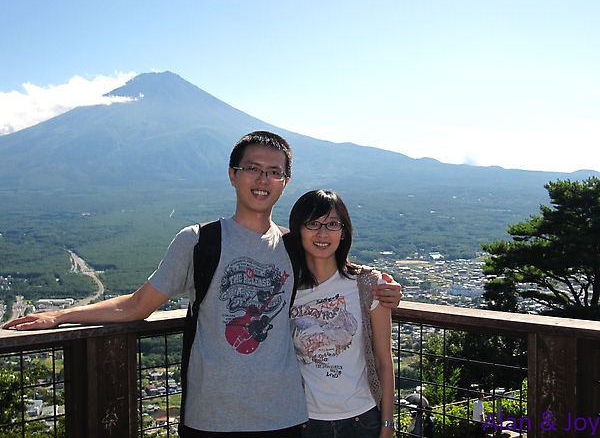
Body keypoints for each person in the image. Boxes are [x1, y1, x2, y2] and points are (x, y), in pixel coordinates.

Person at [3, 131, 403, 437]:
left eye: (274, 172)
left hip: (286, 416)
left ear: (285, 182)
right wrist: (60, 315)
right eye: (252, 168)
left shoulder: (292, 245)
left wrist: (384, 287)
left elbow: (337, 265)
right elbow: (136, 306)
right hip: (211, 417)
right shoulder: (198, 241)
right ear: (233, 175)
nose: (263, 179)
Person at [288, 190, 397, 438]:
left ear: (344, 231)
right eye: (313, 223)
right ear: (298, 230)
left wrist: (388, 426)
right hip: (305, 422)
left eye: (332, 224)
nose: (322, 233)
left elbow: (383, 361)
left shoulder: (368, 284)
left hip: (364, 420)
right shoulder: (286, 290)